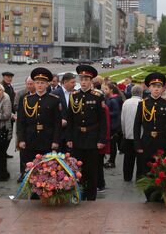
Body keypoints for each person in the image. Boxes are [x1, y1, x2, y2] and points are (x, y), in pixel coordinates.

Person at [135, 72, 166, 202]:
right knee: (146, 171)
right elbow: (137, 125)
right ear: (149, 88)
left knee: (162, 171)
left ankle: (159, 195)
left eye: (159, 86)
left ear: (163, 88)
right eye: (153, 86)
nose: (156, 89)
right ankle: (149, 195)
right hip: (146, 142)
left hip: (162, 142)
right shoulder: (142, 104)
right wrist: (137, 144)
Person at [67, 65, 107, 201]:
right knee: (77, 168)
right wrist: (69, 138)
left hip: (92, 137)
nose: (83, 82)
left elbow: (103, 121)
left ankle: (91, 197)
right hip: (77, 137)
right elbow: (70, 119)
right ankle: (79, 193)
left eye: (86, 79)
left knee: (92, 169)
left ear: (91, 81)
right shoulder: (74, 96)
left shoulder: (97, 96)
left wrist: (102, 139)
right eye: (81, 79)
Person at [120, 84, 142, 182]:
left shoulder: (126, 103)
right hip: (140, 135)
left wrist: (124, 132)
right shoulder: (143, 102)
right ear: (141, 93)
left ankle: (127, 176)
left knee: (128, 158)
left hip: (128, 134)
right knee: (140, 158)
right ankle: (139, 177)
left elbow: (122, 120)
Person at [51, 72, 76, 152]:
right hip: (59, 133)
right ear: (65, 82)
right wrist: (59, 121)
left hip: (72, 133)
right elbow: (50, 113)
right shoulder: (55, 94)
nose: (74, 84)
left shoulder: (75, 93)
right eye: (72, 82)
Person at [104, 83, 123, 169]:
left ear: (111, 90)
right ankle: (111, 160)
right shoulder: (113, 98)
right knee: (111, 144)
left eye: (106, 89)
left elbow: (116, 112)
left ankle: (112, 161)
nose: (104, 91)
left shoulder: (113, 100)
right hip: (113, 124)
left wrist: (105, 113)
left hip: (113, 125)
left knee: (112, 144)